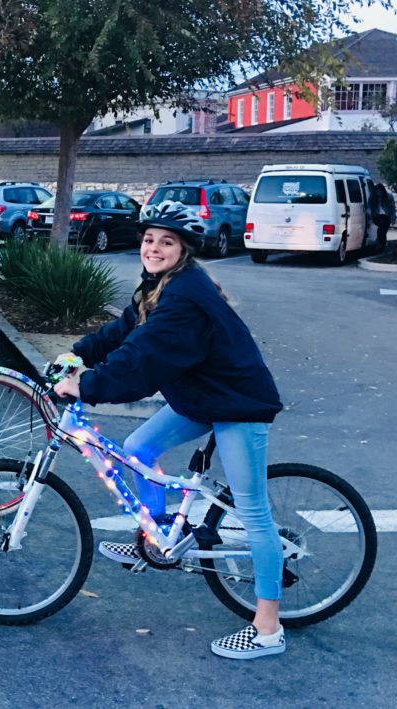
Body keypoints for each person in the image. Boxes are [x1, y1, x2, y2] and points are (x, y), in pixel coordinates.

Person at [53, 201, 285, 660]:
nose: (154, 248)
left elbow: (143, 358)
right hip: (202, 395)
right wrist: (77, 355)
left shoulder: (183, 300)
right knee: (138, 446)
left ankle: (268, 628)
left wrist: (88, 386)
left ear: (183, 250)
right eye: (149, 239)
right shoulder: (158, 286)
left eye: (166, 241)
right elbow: (125, 331)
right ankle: (157, 537)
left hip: (238, 404)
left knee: (254, 511)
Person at [368, 183, 395, 251]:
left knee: (383, 231)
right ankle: (381, 244)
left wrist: (393, 218)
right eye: (377, 191)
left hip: (386, 216)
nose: (379, 193)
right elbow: (369, 207)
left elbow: (392, 208)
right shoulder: (372, 197)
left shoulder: (389, 196)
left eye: (380, 191)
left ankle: (381, 244)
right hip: (377, 216)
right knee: (381, 230)